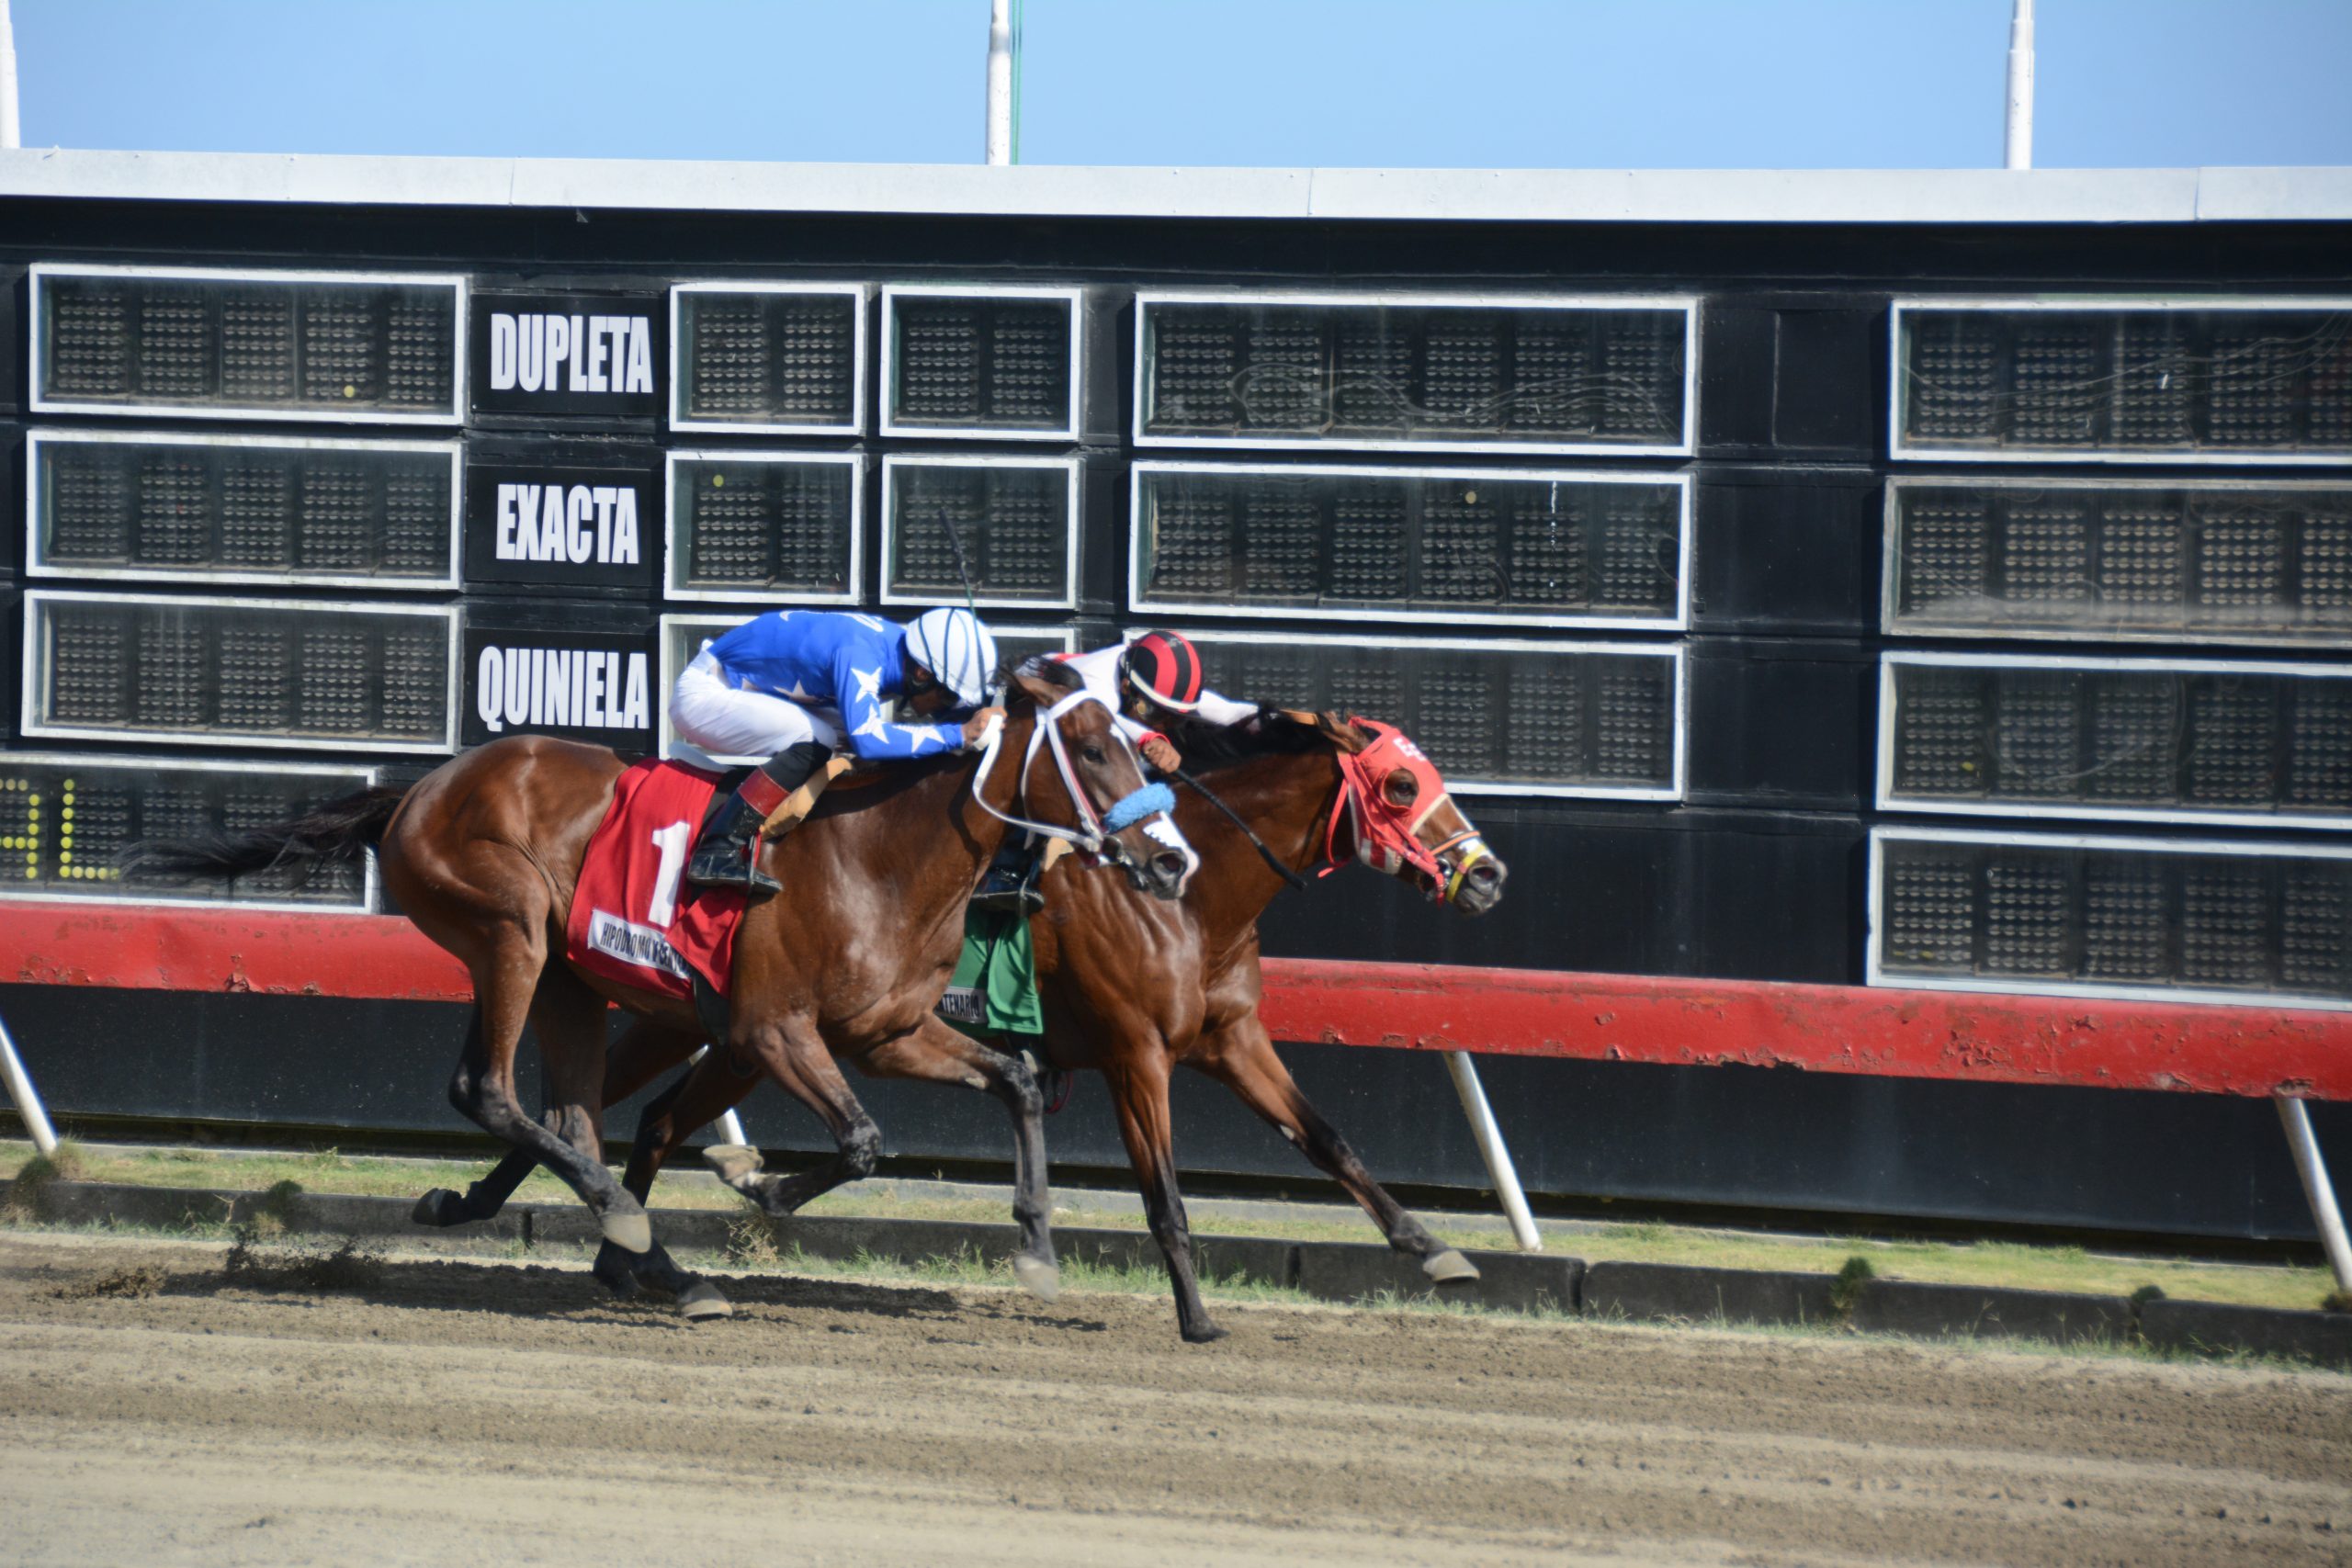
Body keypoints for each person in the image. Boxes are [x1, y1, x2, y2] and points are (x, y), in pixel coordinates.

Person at [669, 606, 1001, 894]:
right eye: (946, 697)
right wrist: (957, 734)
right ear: (921, 673)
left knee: (842, 731)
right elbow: (868, 742)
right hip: (706, 694)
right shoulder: (862, 654)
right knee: (823, 738)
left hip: (749, 688)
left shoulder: (895, 651)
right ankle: (717, 849)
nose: (942, 709)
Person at [970, 629, 1254, 913]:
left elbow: (1230, 713)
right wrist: (1148, 738)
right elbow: (1104, 722)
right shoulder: (1098, 681)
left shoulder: (1150, 683)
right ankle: (1004, 870)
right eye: (1154, 713)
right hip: (1019, 710)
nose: (1162, 724)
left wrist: (1286, 722)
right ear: (1128, 687)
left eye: (1172, 718)